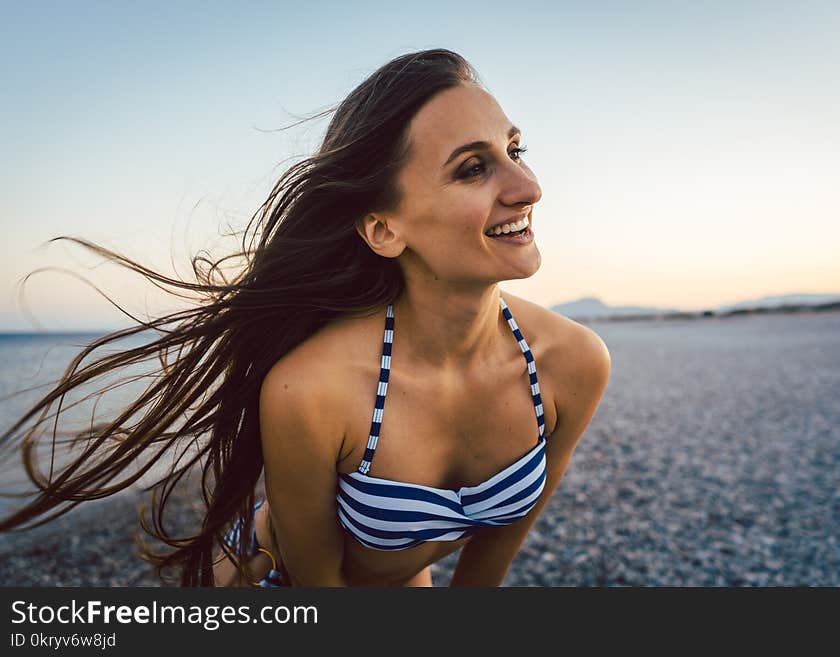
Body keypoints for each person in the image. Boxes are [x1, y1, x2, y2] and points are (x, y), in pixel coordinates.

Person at [0, 48, 610, 587]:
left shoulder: (573, 363)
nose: (528, 186)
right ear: (382, 228)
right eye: (472, 168)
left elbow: (490, 566)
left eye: (515, 149)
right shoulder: (311, 389)